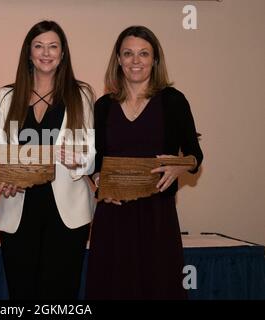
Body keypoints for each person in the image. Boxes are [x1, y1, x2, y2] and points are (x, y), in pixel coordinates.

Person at [85, 25, 203, 300]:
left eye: (143, 54)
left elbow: (195, 154)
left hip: (157, 216)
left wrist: (180, 165)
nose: (135, 61)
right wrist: (99, 182)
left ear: (155, 60)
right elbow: (93, 161)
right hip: (113, 216)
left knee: (158, 287)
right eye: (128, 53)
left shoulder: (174, 101)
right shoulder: (103, 106)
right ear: (118, 60)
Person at [0, 20, 95, 300]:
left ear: (63, 54)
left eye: (53, 46)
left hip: (67, 213)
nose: (46, 53)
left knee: (60, 293)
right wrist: (4, 178)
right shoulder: (7, 95)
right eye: (39, 46)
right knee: (22, 291)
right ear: (29, 53)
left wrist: (75, 160)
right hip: (18, 207)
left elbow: (91, 159)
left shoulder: (81, 94)